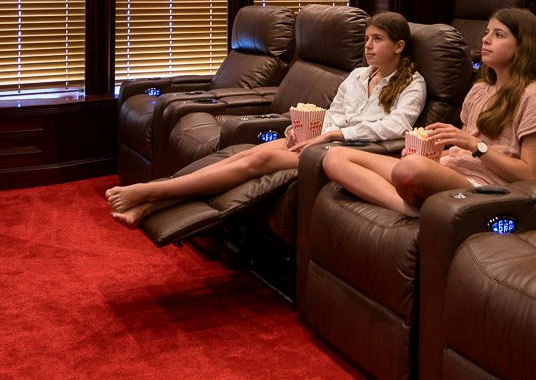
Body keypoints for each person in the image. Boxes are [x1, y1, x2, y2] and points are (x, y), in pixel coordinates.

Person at [107, 12, 427, 228]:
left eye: (378, 39)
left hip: (350, 155)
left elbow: (395, 126)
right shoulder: (358, 76)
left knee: (254, 158)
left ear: (398, 46)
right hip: (317, 144)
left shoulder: (413, 84)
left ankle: (153, 194)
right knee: (246, 154)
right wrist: (301, 129)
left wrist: (332, 137)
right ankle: (154, 200)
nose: (368, 46)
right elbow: (333, 113)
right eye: (367, 38)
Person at [322, 7, 536, 216]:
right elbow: (457, 150)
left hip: (483, 186)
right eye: (486, 32)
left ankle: (414, 195)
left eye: (498, 35)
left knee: (410, 168)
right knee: (334, 157)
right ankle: (408, 209)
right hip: (448, 170)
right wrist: (431, 155)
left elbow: (530, 174)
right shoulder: (479, 89)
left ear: (523, 45)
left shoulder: (535, 95)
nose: (485, 40)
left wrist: (475, 146)